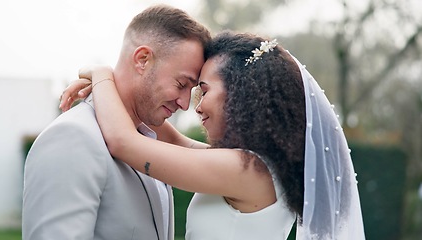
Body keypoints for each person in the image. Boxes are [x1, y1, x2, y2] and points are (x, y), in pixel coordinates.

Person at [61, 32, 365, 239]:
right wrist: (122, 84)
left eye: (203, 90)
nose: (197, 106)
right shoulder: (252, 165)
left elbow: (124, 142)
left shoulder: (247, 170)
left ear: (242, 94)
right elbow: (171, 138)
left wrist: (101, 74)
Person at [22, 5, 211, 240]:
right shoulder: (72, 137)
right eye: (182, 84)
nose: (185, 104)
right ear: (142, 60)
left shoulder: (149, 138)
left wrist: (101, 75)